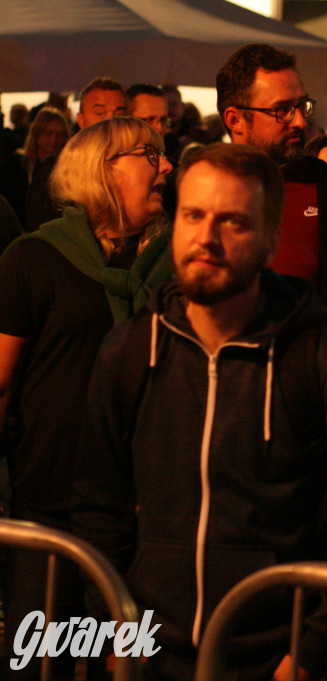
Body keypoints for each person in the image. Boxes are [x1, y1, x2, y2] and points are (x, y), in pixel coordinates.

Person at [72, 143, 327, 681]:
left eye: (233, 222)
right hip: (149, 657)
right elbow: (95, 506)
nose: (207, 237)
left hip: (275, 661)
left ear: (272, 240)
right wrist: (113, 634)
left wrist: (309, 652)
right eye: (194, 215)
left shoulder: (319, 360)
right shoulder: (130, 351)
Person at [0, 116, 173, 679]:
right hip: (46, 505)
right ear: (103, 170)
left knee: (116, 665)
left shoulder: (173, 267)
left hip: (140, 511)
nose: (166, 167)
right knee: (38, 663)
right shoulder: (33, 258)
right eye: (149, 155)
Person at [216, 43, 327, 385]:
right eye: (282, 110)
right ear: (235, 119)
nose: (299, 121)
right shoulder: (193, 190)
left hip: (308, 407)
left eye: (302, 106)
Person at [25, 77, 127, 231]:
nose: (110, 121)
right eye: (100, 113)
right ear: (81, 120)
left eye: (118, 114)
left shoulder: (135, 165)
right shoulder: (54, 172)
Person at [0, 106, 69, 228]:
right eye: (48, 133)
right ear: (36, 134)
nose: (54, 139)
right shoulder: (15, 166)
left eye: (59, 134)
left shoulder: (70, 170)